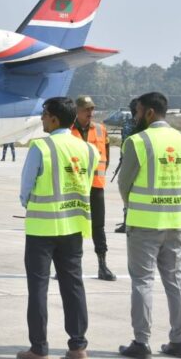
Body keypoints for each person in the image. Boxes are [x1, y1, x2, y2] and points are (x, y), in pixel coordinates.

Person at [17, 97, 99, 359]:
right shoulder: (88, 150)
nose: (41, 118)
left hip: (42, 228)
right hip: (74, 227)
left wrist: (35, 203)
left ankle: (39, 348)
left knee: (38, 288)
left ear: (53, 118)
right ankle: (78, 346)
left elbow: (25, 191)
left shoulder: (41, 147)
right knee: (73, 286)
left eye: (44, 114)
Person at [117, 92, 181, 359]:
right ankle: (179, 341)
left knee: (142, 281)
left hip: (144, 223)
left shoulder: (137, 142)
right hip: (176, 221)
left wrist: (135, 206)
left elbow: (124, 184)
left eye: (138, 111)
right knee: (176, 281)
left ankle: (141, 342)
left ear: (150, 112)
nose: (136, 116)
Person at [70, 95, 115, 281]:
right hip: (74, 186)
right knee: (72, 228)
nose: (90, 113)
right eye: (86, 109)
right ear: (77, 111)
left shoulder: (101, 130)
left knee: (98, 227)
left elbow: (107, 157)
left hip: (96, 187)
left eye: (92, 109)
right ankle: (70, 266)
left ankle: (102, 265)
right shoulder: (67, 130)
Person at [115, 98, 139, 233]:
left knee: (126, 193)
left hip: (128, 162)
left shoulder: (128, 125)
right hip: (137, 162)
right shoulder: (143, 125)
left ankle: (127, 221)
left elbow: (125, 144)